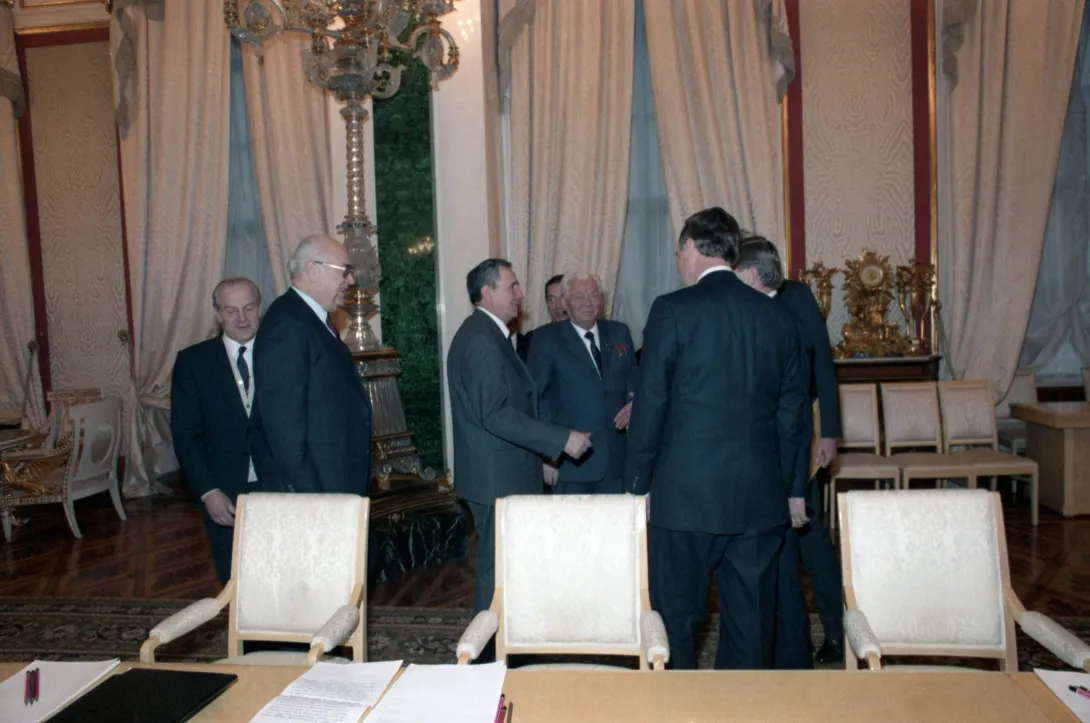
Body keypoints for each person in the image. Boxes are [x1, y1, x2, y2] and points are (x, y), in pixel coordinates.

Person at [625, 207, 808, 670]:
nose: (678, 262)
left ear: (691, 248)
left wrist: (637, 484)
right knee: (751, 627)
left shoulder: (672, 310)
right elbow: (793, 417)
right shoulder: (779, 318)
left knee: (677, 624)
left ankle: (680, 715)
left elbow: (651, 406)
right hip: (760, 500)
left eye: (678, 252)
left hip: (686, 501)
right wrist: (792, 489)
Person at [447, 259, 592, 616]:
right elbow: (494, 413)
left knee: (507, 572)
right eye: (511, 286)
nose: (519, 295)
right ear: (487, 293)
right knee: (497, 576)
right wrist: (561, 439)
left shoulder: (489, 334)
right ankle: (485, 658)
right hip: (497, 479)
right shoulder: (480, 339)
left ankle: (504, 651)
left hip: (505, 473)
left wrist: (539, 457)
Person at [735, 236, 844, 666]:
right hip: (762, 440)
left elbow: (823, 365)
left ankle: (838, 634)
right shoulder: (742, 302)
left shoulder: (797, 297)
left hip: (804, 433)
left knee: (811, 537)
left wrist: (830, 433)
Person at [250, 235, 372, 496]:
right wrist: (314, 497)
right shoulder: (288, 325)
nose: (351, 280)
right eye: (345, 271)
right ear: (313, 269)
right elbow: (284, 428)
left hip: (333, 482)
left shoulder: (308, 319)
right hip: (317, 491)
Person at [171, 277, 263, 584]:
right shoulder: (193, 362)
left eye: (248, 308)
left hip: (277, 484)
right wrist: (208, 491)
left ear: (259, 308)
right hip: (224, 491)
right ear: (218, 314)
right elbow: (186, 435)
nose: (241, 318)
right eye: (231, 310)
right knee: (235, 579)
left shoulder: (279, 353)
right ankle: (243, 635)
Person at [527, 273, 637, 494]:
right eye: (579, 297)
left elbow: (636, 385)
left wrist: (635, 406)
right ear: (566, 304)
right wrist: (548, 456)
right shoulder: (546, 339)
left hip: (618, 463)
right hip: (572, 464)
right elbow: (538, 402)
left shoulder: (619, 333)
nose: (588, 303)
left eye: (593, 295)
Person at [515, 274, 566, 361]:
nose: (558, 305)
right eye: (552, 299)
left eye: (562, 298)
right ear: (546, 303)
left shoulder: (586, 336)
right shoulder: (533, 339)